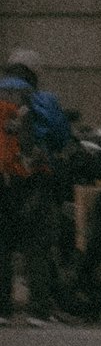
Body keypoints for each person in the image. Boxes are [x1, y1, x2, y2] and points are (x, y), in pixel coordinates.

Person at [0, 48, 70, 324]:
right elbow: (60, 135)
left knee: (2, 245)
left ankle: (2, 311)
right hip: (33, 181)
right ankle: (38, 311)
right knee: (37, 245)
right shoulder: (42, 99)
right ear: (33, 74)